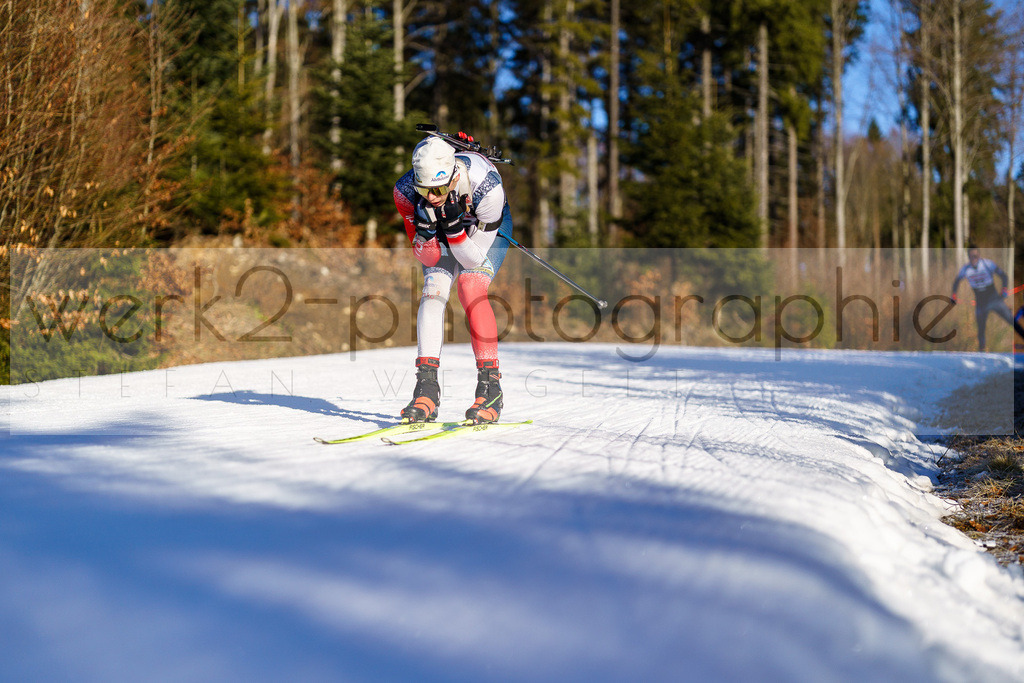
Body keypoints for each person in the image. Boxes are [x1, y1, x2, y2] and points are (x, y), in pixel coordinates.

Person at [392, 133, 514, 423]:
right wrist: (425, 233)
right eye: (424, 190)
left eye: (438, 189)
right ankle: (426, 389)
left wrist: (455, 230)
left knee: (470, 286)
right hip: (448, 231)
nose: (431, 198)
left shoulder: (488, 187)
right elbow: (428, 258)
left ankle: (491, 389)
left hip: (483, 229)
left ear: (453, 177)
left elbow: (472, 260)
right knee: (433, 289)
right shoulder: (405, 192)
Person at [951, 247, 1020, 351]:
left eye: (975, 256)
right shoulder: (966, 269)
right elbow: (956, 281)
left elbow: (1003, 276)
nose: (973, 258)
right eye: (971, 256)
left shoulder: (987, 264)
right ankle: (982, 350)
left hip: (994, 300)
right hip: (981, 303)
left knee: (1011, 320)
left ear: (979, 255)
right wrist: (954, 295)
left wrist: (1004, 289)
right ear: (968, 257)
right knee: (981, 327)